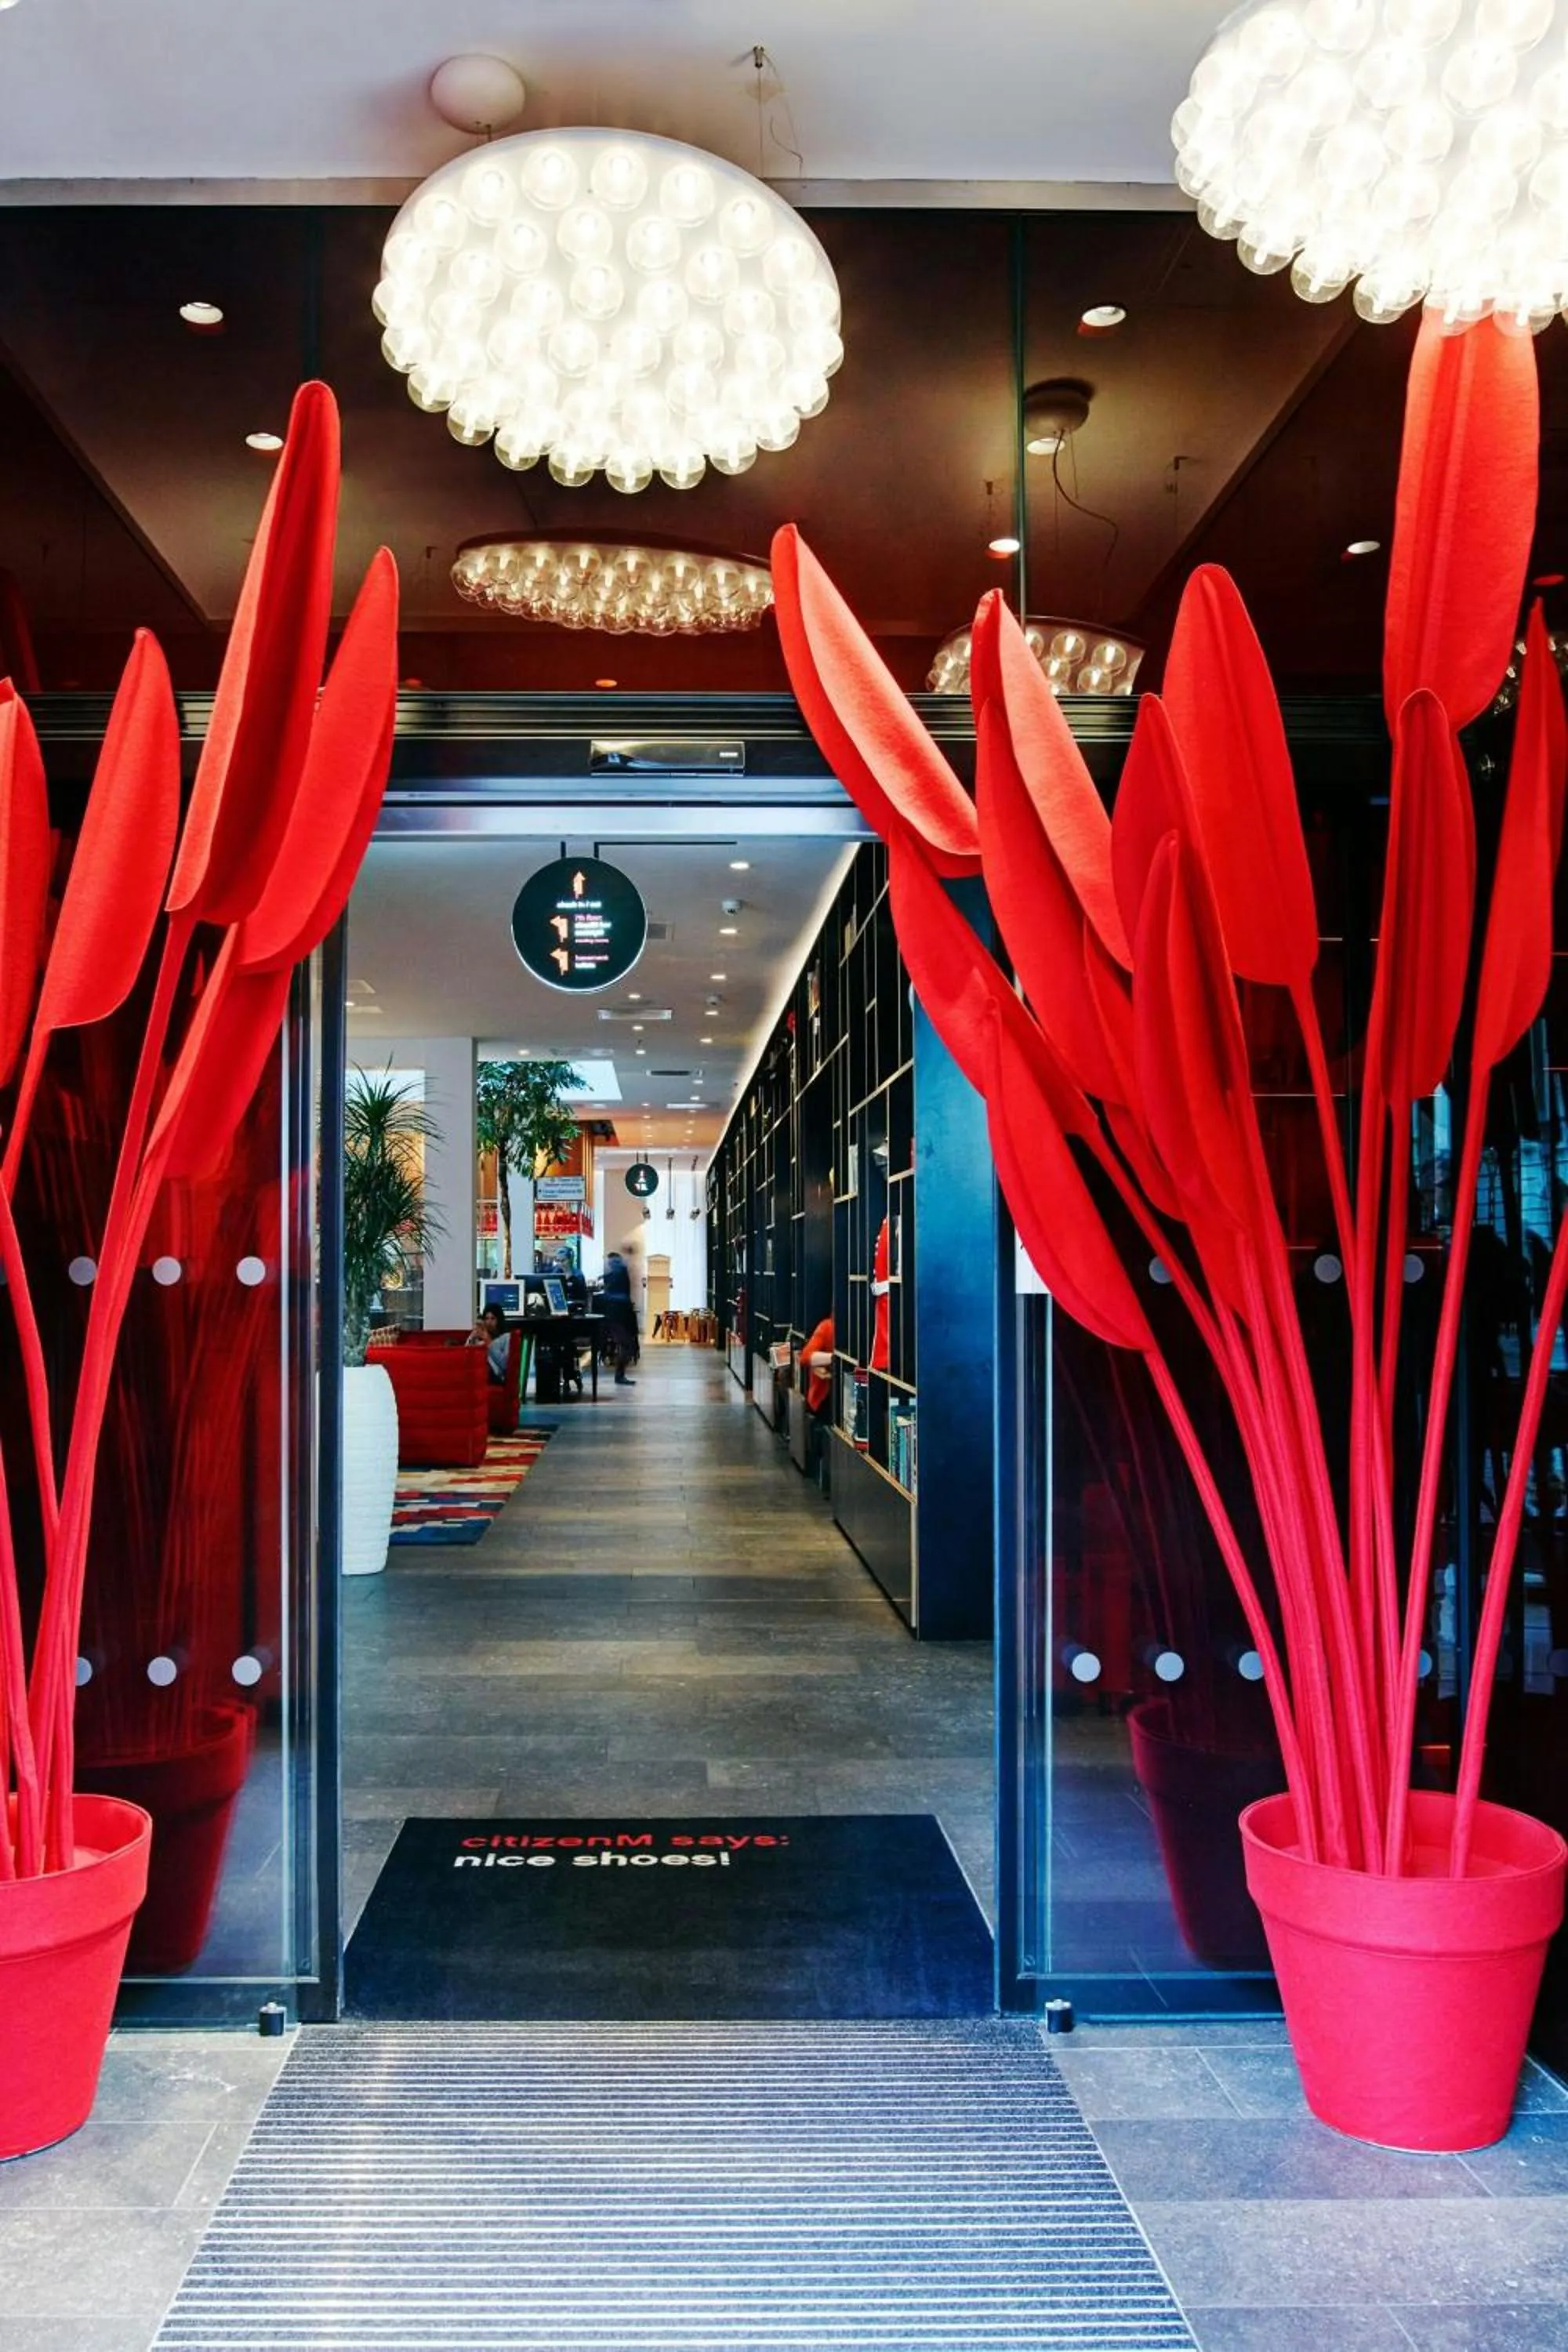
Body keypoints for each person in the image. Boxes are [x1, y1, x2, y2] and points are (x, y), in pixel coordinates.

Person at [600, 1251, 638, 1387]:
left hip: (617, 1315)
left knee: (627, 1345)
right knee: (627, 1346)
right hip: (619, 1315)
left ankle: (620, 1375)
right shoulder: (619, 1272)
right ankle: (619, 1376)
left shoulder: (611, 1275)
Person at [474, 1302, 512, 1385]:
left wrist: (489, 1343)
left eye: (493, 1319)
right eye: (486, 1319)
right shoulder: (481, 1337)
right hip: (478, 1372)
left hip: (496, 1376)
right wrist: (472, 1337)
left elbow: (505, 1365)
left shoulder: (506, 1337)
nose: (489, 1322)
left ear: (499, 1320)